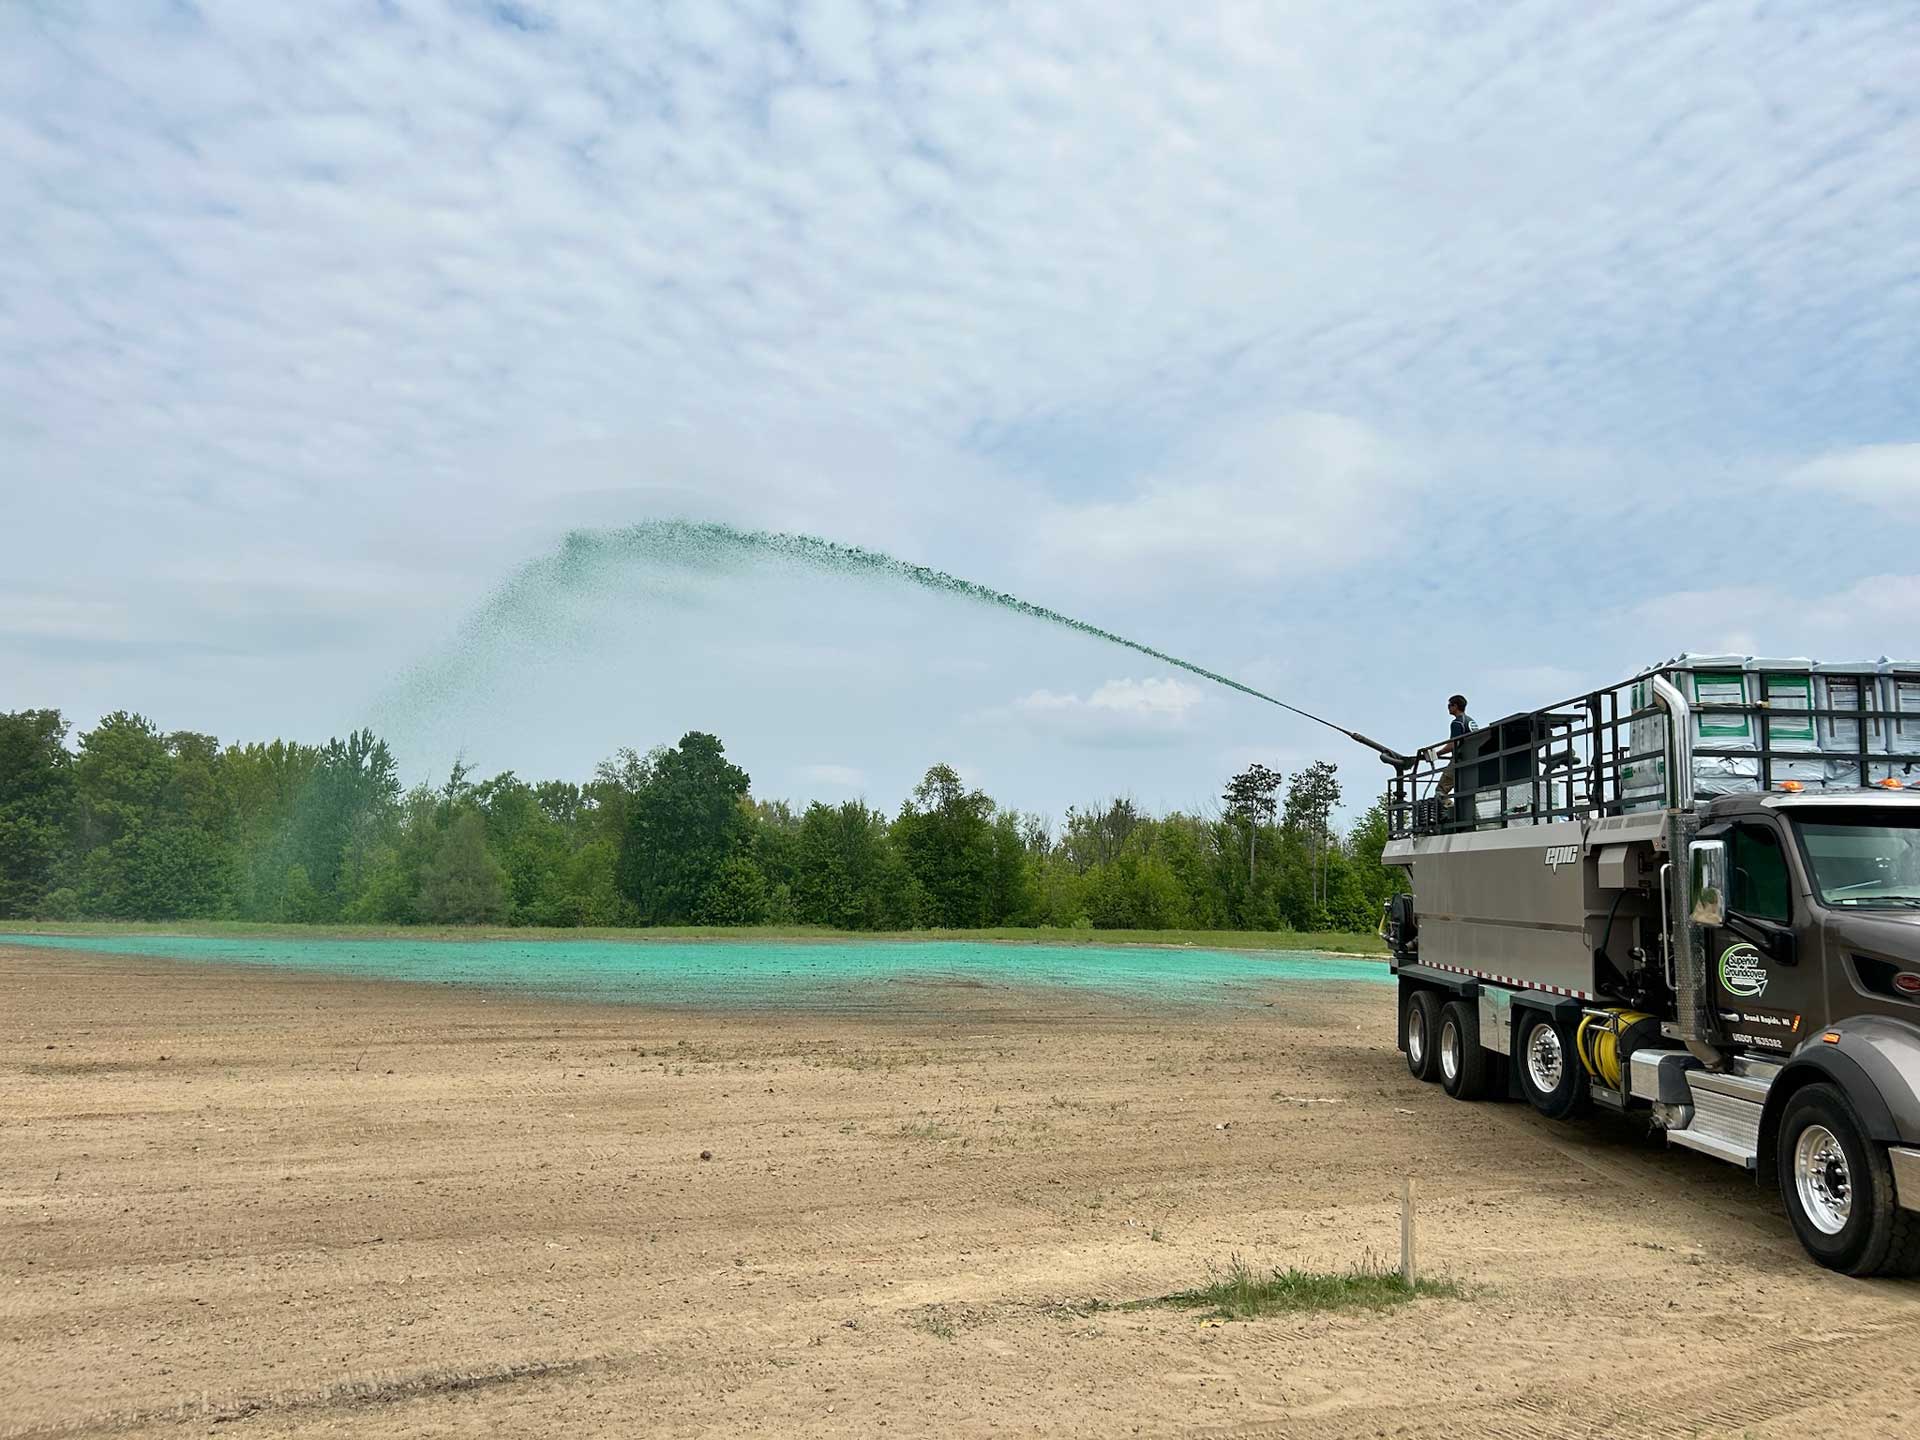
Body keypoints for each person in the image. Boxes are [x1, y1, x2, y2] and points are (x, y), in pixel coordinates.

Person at [1431, 694, 1476, 797]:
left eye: (1449, 705)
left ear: (1455, 706)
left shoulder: (1457, 723)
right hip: (1473, 759)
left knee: (1440, 791)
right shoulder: (1471, 721)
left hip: (1460, 759)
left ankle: (1451, 811)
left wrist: (1436, 754)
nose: (1448, 708)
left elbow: (1452, 745)